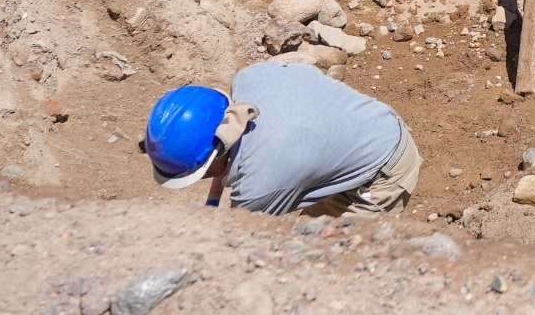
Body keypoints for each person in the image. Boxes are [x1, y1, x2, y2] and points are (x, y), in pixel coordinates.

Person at [142, 62, 420, 216]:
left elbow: (247, 240)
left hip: (386, 167)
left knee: (337, 262)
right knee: (311, 233)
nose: (203, 179)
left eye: (199, 174)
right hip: (366, 121)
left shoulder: (259, 185)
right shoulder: (252, 76)